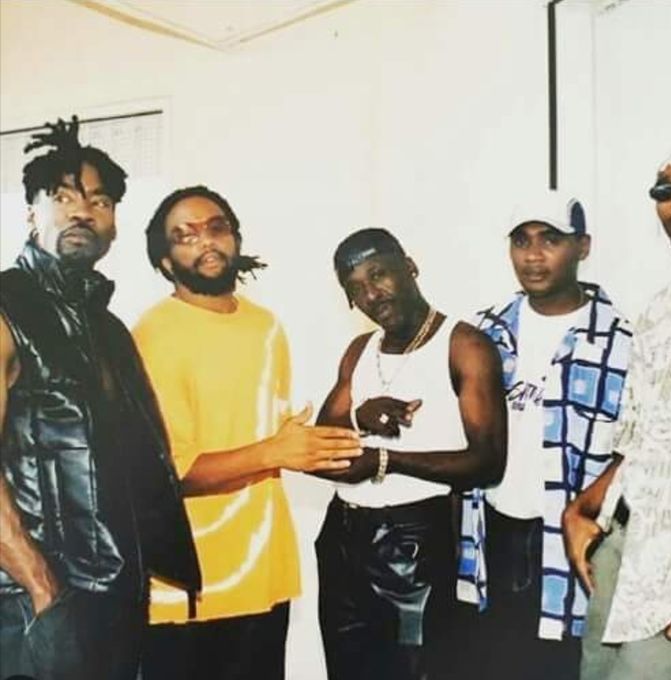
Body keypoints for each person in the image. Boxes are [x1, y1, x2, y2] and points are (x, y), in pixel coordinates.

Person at [133, 185, 361, 680]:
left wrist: (316, 440)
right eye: (185, 235)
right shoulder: (153, 334)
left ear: (235, 239)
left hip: (262, 567)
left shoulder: (267, 327)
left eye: (216, 227)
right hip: (184, 577)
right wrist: (276, 449)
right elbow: (171, 471)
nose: (206, 241)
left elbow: (262, 435)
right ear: (166, 261)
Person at [0, 116, 200, 680]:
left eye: (100, 200)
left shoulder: (109, 330)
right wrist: (40, 586)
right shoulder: (6, 305)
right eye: (61, 196)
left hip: (114, 600)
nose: (82, 211)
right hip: (30, 604)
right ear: (31, 213)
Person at [563, 141, 671, 680]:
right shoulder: (659, 309)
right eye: (665, 190)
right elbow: (643, 440)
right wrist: (581, 508)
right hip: (625, 539)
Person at [314, 227, 507, 680]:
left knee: (414, 672)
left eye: (379, 274)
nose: (372, 293)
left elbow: (487, 460)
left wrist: (386, 460)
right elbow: (321, 441)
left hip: (414, 541)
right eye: (356, 287)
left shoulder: (463, 345)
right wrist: (361, 417)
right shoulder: (359, 350)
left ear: (410, 267)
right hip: (342, 536)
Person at [455, 194, 632, 679]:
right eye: (522, 241)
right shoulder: (483, 333)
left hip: (570, 545)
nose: (533, 255)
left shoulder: (622, 341)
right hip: (492, 534)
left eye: (550, 240)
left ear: (583, 247)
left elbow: (636, 450)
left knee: (559, 667)